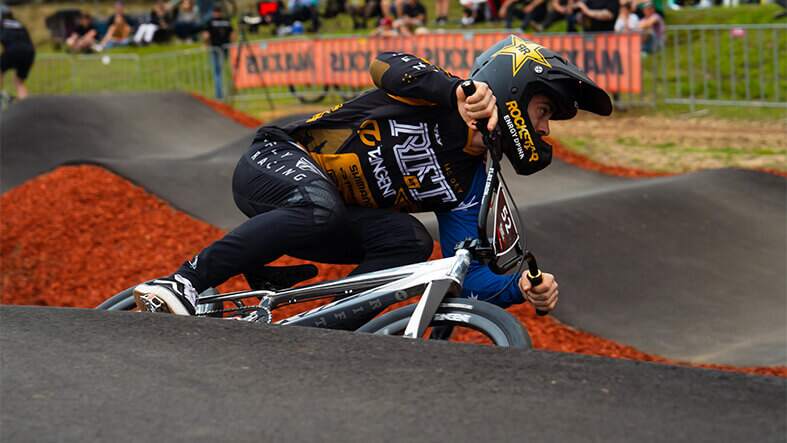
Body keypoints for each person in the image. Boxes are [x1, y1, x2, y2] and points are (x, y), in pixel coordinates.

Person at [133, 35, 612, 319]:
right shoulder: (435, 94)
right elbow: (385, 64)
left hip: (326, 218)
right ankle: (181, 282)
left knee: (411, 246)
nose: (546, 129)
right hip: (274, 163)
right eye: (545, 110)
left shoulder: (471, 185)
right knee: (318, 205)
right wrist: (454, 91)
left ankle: (326, 323)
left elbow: (466, 280)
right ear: (514, 88)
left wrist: (520, 291)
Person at [0, 6, 34, 100]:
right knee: (19, 82)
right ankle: (25, 104)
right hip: (29, 52)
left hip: (13, 50)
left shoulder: (2, 24)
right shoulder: (19, 24)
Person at [203, 5, 232, 99]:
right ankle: (228, 92)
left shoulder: (210, 22)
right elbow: (233, 35)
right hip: (225, 48)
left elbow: (206, 36)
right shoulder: (226, 21)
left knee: (217, 72)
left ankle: (219, 95)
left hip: (215, 49)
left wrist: (206, 45)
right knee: (225, 71)